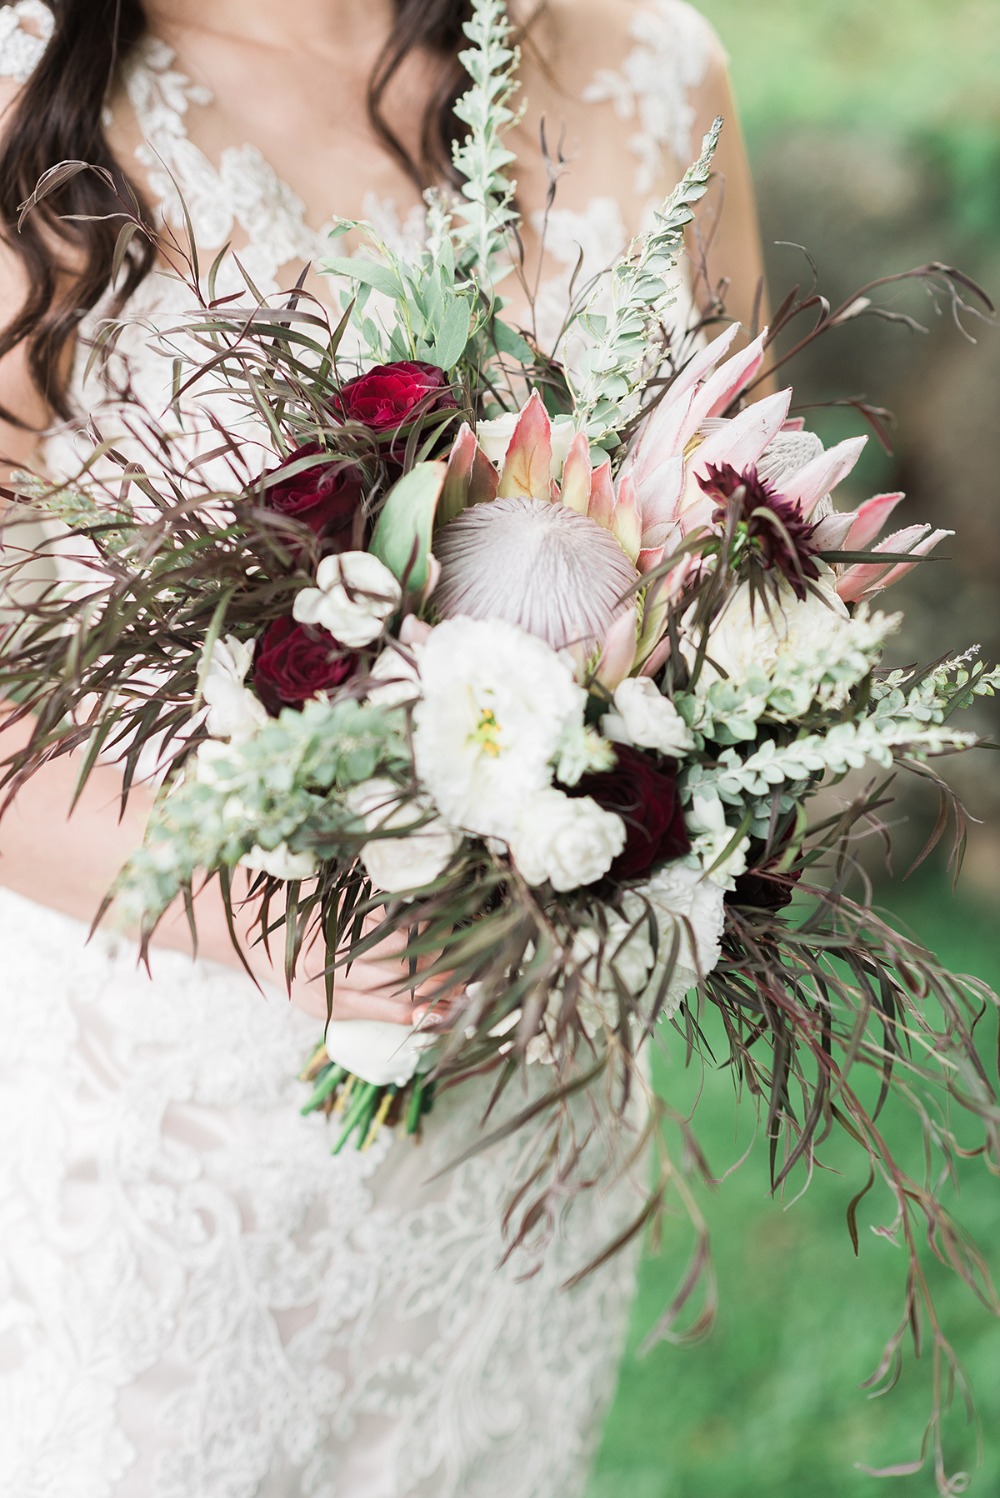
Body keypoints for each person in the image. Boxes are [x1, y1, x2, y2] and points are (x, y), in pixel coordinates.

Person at [0, 2, 766, 1494]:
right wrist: (268, 918)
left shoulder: (659, 69)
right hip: (164, 1152)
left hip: (527, 1137)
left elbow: (734, 537)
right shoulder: (33, 101)